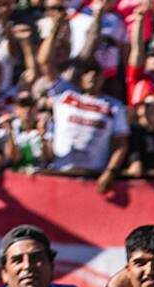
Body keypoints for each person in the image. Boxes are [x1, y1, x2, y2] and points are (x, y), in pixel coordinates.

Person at [48, 58, 129, 194]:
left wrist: (110, 171)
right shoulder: (65, 96)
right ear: (81, 77)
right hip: (60, 173)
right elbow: (45, 63)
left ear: (103, 78)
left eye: (96, 73)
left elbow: (120, 143)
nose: (92, 76)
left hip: (93, 176)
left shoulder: (114, 106)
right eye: (87, 73)